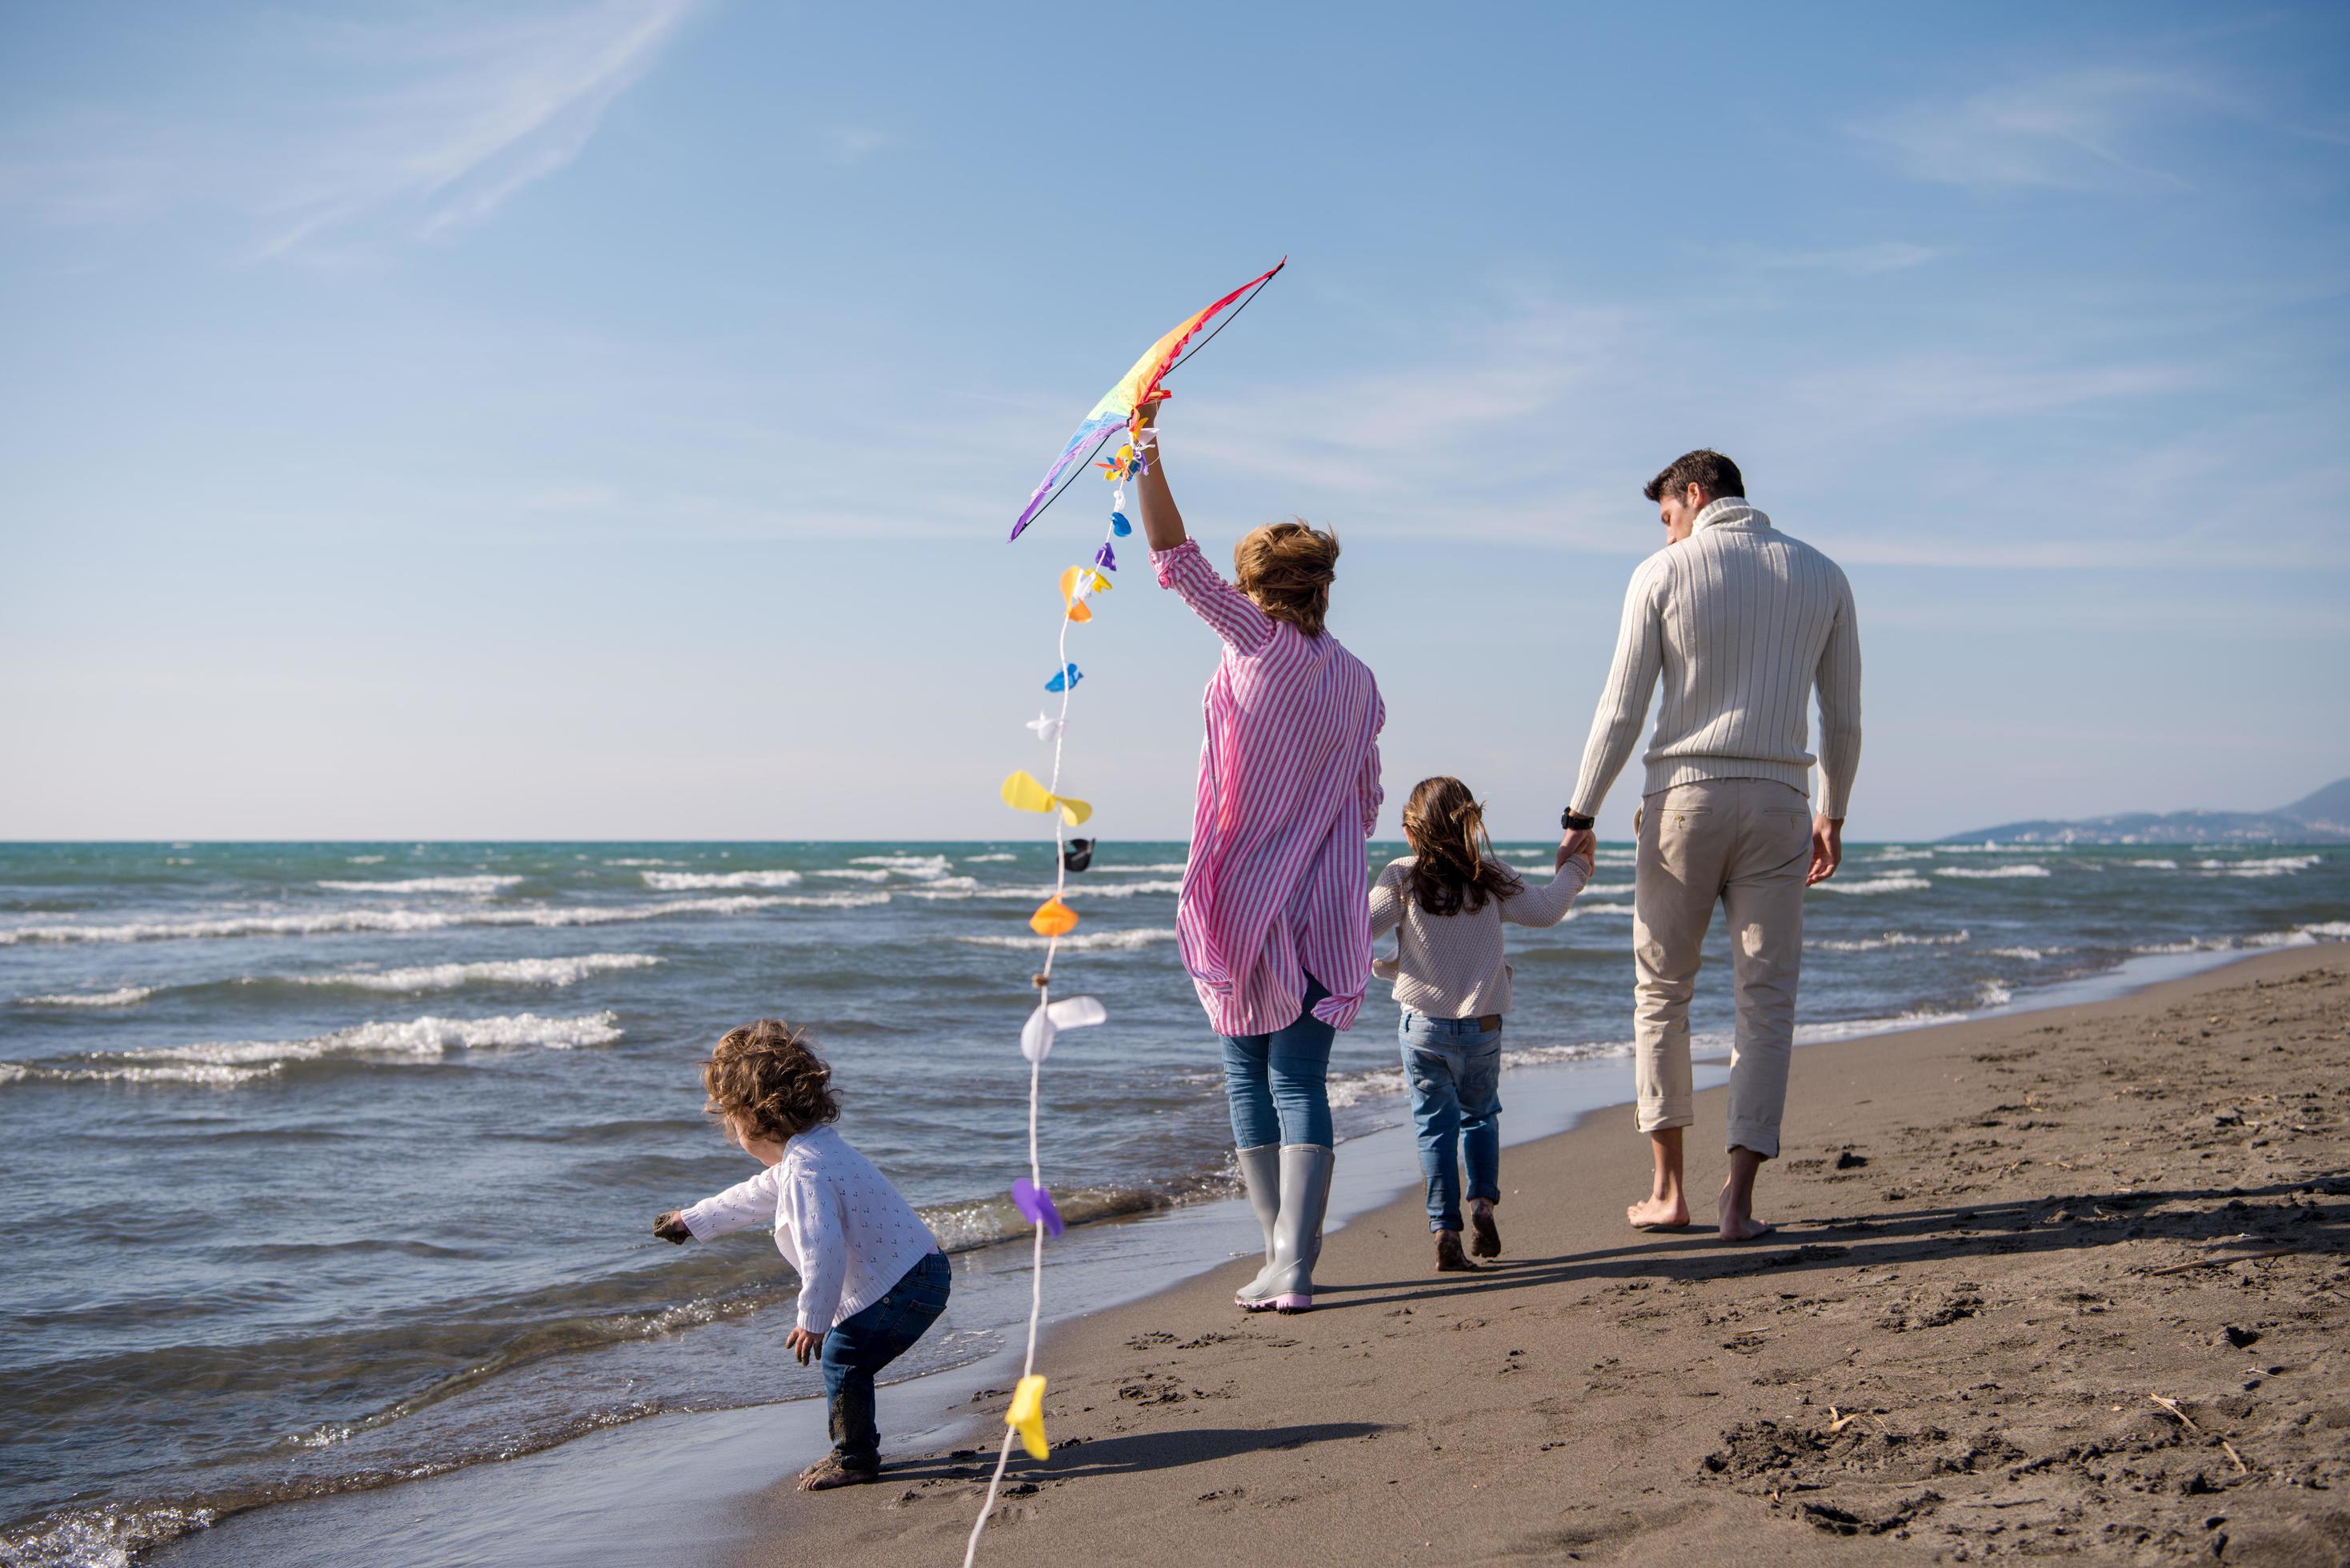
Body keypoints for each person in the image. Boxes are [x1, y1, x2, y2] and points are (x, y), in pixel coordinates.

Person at [1559, 450, 1861, 1242]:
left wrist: (1580, 808)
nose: (1667, 534)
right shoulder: (1825, 575)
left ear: (1693, 496)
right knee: (1766, 1002)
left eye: (1667, 516)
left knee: (1663, 992)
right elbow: (1845, 716)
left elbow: (1620, 708)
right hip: (1781, 802)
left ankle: (1668, 1191)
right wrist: (1834, 811)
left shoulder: (1661, 576)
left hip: (1682, 801)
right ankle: (1739, 1201)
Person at [1133, 395, 1384, 1314]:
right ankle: (1293, 1262)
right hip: (1324, 903)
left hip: (1245, 901)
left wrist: (1144, 449)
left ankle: (1280, 1255)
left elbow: (1171, 558)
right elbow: (1363, 800)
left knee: (1253, 1077)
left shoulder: (1253, 640)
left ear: (1254, 590)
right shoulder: (1358, 678)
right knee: (1296, 1079)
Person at [654, 1019, 950, 1490]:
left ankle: (854, 1458)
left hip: (905, 1284)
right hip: (920, 1271)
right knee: (849, 1357)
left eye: (731, 1123)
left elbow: (822, 1250)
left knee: (842, 1356)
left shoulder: (805, 1172)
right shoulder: (814, 1153)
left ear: (751, 1117)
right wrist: (694, 1219)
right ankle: (854, 1449)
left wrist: (813, 1318)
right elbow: (756, 1195)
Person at [1370, 777, 1590, 1271]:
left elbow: (1354, 929)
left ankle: (1445, 1230)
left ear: (1412, 831)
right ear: (1471, 824)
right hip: (1482, 1027)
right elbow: (1547, 910)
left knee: (1434, 1129)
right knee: (1481, 1115)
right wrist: (1576, 867)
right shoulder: (1489, 875)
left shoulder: (1401, 877)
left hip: (1424, 1028)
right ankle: (1482, 1206)